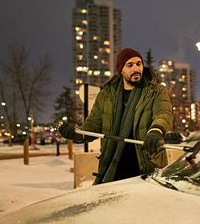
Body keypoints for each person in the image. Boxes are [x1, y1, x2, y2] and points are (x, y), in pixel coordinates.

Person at [58, 48, 173, 184]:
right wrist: (77, 134)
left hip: (146, 165)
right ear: (121, 70)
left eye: (139, 63)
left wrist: (156, 131)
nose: (136, 68)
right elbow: (93, 126)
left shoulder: (156, 91)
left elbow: (163, 113)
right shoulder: (106, 95)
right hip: (113, 167)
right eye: (130, 65)